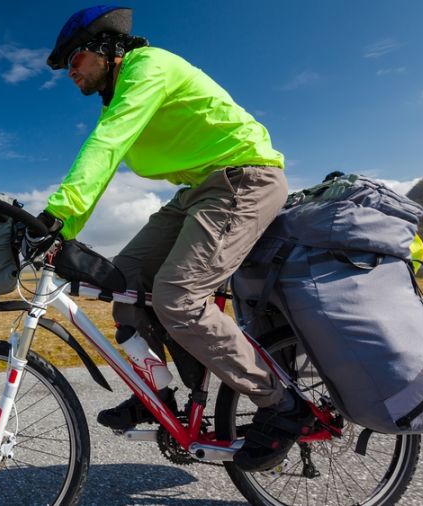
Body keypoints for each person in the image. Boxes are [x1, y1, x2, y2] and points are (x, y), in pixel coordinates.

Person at [37, 5, 313, 472]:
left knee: (178, 298)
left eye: (75, 59)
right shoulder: (123, 91)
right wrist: (60, 233)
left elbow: (106, 144)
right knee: (120, 285)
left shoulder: (149, 68)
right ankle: (155, 396)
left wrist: (58, 214)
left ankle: (283, 406)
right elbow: (108, 157)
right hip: (198, 193)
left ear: (107, 48)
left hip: (244, 179)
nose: (70, 73)